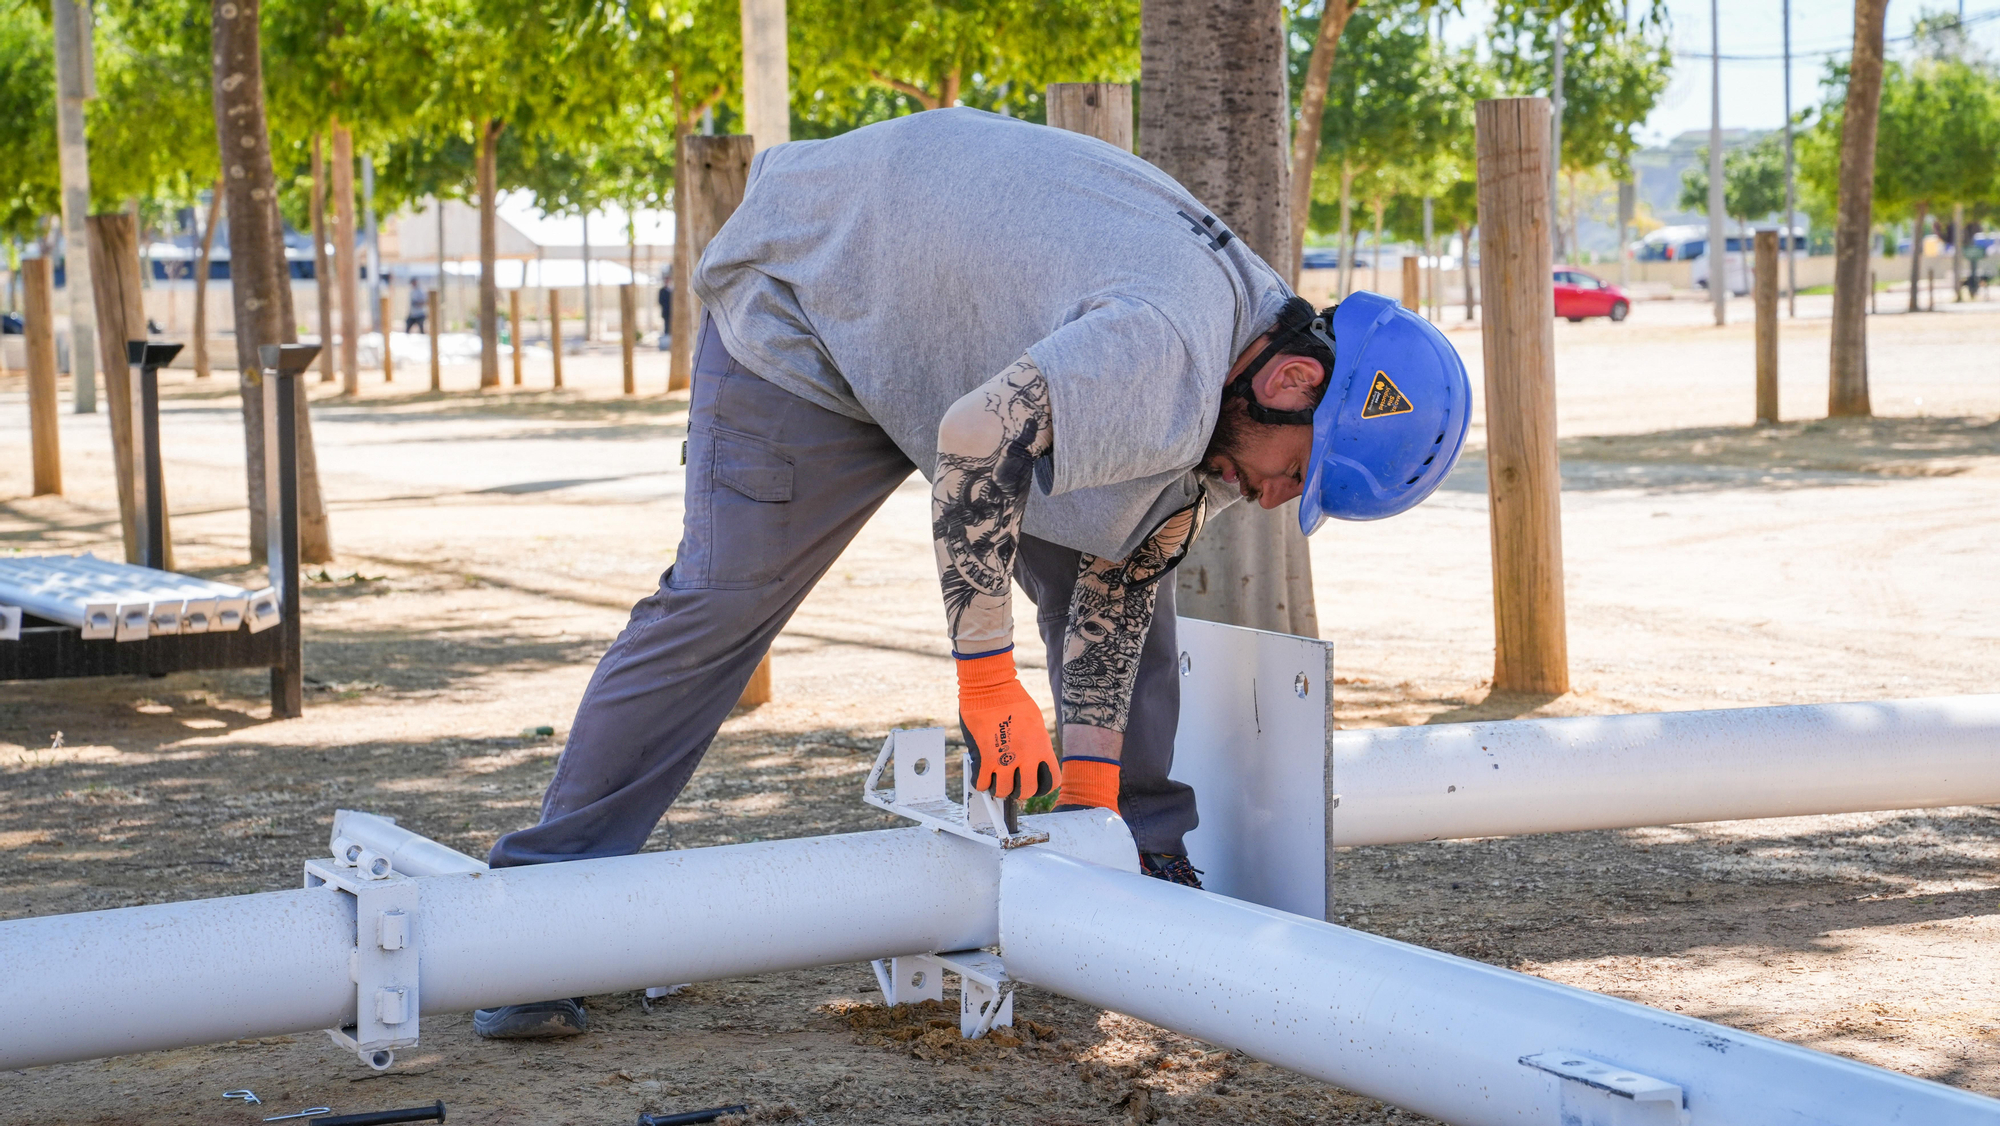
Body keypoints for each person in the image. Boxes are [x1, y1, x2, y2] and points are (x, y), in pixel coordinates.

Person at [473, 109, 1470, 1039]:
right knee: (722, 602)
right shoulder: (1170, 355)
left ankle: (1132, 860)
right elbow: (974, 440)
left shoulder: (1236, 397)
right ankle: (537, 919)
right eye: (1291, 476)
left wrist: (1086, 797)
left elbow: (1118, 574)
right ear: (1293, 383)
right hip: (817, 297)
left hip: (974, 346)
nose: (1268, 498)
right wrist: (986, 682)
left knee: (1137, 603)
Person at [657, 279, 672, 350]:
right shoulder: (662, 290)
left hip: (672, 312)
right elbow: (660, 301)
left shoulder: (671, 290)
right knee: (666, 326)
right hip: (666, 312)